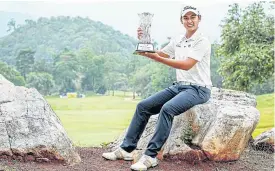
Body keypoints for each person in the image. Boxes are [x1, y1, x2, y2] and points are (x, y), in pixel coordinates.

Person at [102, 4, 212, 171]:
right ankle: (126, 149)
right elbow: (160, 54)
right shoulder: (178, 40)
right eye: (186, 17)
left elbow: (186, 65)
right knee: (143, 106)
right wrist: (144, 42)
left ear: (199, 19)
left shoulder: (202, 41)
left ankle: (150, 157)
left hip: (199, 89)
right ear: (181, 20)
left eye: (193, 17)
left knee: (167, 109)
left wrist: (156, 57)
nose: (189, 20)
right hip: (179, 87)